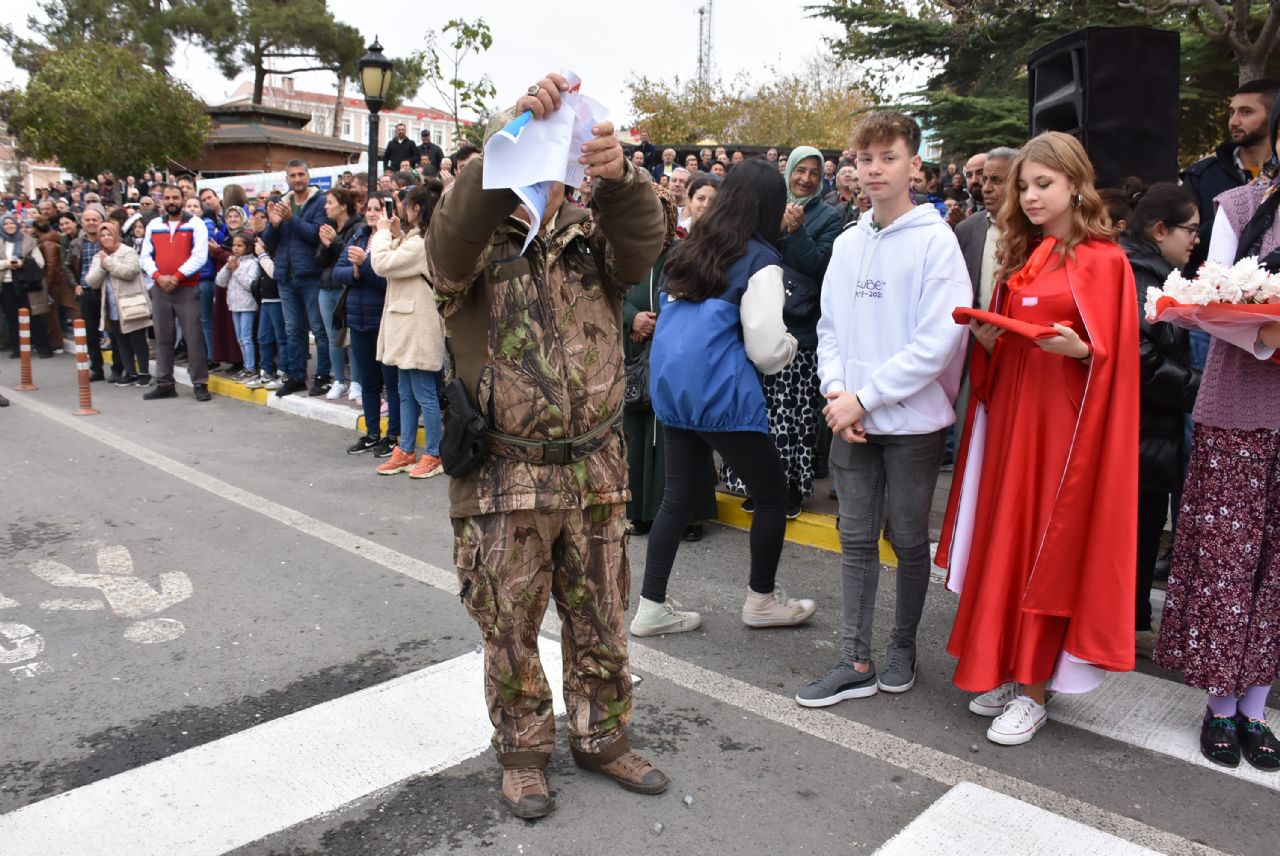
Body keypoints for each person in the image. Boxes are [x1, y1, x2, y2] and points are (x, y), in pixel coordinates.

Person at [427, 71, 669, 819]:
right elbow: (453, 231)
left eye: (558, 159)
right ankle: (525, 754)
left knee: (601, 616)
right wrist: (508, 135)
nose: (549, 175)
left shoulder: (591, 244)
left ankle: (603, 739)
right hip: (505, 474)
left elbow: (645, 241)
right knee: (510, 625)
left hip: (595, 468)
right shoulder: (473, 245)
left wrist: (622, 175)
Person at [936, 132, 1138, 746]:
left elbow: (1120, 361)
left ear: (1077, 185)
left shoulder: (1105, 261)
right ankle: (1012, 670)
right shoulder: (1030, 256)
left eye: (1042, 184)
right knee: (1008, 543)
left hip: (1064, 435)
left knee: (1042, 551)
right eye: (1024, 185)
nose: (1028, 196)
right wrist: (991, 341)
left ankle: (1033, 690)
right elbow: (1007, 346)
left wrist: (1084, 351)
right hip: (1013, 427)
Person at [795, 112, 970, 709]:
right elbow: (831, 328)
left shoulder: (935, 240)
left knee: (908, 540)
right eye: (864, 159)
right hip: (852, 420)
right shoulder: (846, 242)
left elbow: (938, 340)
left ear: (913, 165)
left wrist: (866, 398)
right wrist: (841, 396)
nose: (873, 169)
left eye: (887, 157)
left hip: (913, 424)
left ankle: (901, 646)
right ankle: (855, 658)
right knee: (856, 540)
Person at [636, 158, 815, 636]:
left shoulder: (691, 247)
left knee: (676, 497)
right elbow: (765, 348)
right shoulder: (761, 260)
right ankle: (761, 599)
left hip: (674, 391)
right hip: (721, 395)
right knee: (773, 494)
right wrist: (792, 346)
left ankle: (650, 606)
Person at [1154, 98, 1280, 771]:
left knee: (1277, 571)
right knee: (1229, 566)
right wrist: (1266, 335)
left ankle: (1258, 706)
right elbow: (1209, 305)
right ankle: (1221, 707)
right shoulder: (1235, 207)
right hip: (1239, 408)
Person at [723, 146, 842, 518]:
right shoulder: (768, 209)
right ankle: (757, 484)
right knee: (762, 415)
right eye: (799, 170)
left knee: (794, 416)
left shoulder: (829, 216)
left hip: (800, 335)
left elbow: (822, 269)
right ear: (787, 172)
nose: (805, 178)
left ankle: (790, 488)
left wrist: (797, 232)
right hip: (761, 327)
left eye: (813, 172)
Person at [1119, 184, 1202, 659]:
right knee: (1137, 525)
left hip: (1149, 429)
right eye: (1189, 229)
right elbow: (1140, 357)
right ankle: (1124, 624)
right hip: (1141, 427)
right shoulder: (1140, 278)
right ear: (1159, 230)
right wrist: (1198, 386)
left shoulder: (1155, 273)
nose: (1195, 240)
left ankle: (1132, 620)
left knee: (1144, 524)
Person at [622, 188, 717, 545]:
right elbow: (605, 295)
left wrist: (666, 322)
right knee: (638, 431)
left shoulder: (687, 252)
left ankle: (690, 514)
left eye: (657, 214)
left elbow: (704, 300)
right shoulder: (624, 253)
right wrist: (632, 318)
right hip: (636, 354)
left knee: (680, 435)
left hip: (678, 356)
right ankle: (641, 511)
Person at [372, 182, 447, 479]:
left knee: (424, 392)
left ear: (417, 209)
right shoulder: (415, 239)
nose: (401, 207)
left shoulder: (421, 243)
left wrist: (380, 232)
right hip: (406, 325)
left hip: (417, 327)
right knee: (404, 392)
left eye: (406, 203)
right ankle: (405, 450)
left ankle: (433, 452)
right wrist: (395, 235)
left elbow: (380, 263)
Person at [1183, 79, 1280, 276]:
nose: (1234, 121)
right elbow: (1181, 239)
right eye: (1231, 112)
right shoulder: (1202, 175)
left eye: (1246, 112)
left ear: (1272, 117)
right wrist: (1235, 212)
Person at [333, 195, 400, 457]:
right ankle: (373, 433)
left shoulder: (395, 238)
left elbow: (390, 280)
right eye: (369, 209)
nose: (372, 213)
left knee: (391, 383)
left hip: (384, 320)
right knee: (368, 382)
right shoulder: (358, 236)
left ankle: (393, 436)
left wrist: (365, 266)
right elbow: (336, 271)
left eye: (378, 209)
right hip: (358, 320)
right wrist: (354, 272)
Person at [263, 160, 330, 397]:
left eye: (301, 174)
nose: (298, 179)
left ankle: (324, 376)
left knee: (319, 329)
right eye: (293, 175)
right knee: (293, 330)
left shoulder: (320, 202)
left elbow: (317, 235)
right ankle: (296, 377)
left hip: (310, 274)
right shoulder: (281, 202)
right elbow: (269, 241)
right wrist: (272, 225)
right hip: (286, 276)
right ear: (287, 178)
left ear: (308, 175)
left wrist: (291, 219)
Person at [139, 183, 211, 401]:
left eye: (175, 197)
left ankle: (199, 383)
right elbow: (145, 256)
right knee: (163, 337)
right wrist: (158, 277)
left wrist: (177, 276)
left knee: (193, 338)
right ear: (162, 201)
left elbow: (199, 256)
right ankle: (165, 383)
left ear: (183, 198)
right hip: (160, 289)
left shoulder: (196, 224)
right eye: (167, 198)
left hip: (187, 288)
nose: (171, 201)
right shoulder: (153, 225)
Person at [85, 221, 152, 386]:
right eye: (103, 235)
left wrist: (108, 262)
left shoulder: (127, 251)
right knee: (121, 341)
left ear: (116, 235)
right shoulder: (99, 256)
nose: (106, 238)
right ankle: (130, 372)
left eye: (109, 234)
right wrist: (102, 265)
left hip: (132, 303)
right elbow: (91, 281)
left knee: (138, 340)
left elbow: (130, 271)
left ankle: (144, 373)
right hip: (111, 305)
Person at [315, 188, 363, 400]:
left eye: (330, 202)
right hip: (327, 287)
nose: (326, 206)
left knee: (351, 338)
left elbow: (351, 256)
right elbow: (319, 260)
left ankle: (356, 382)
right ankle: (339, 381)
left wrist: (334, 242)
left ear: (343, 205)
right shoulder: (330, 227)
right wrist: (325, 247)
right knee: (333, 337)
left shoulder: (358, 227)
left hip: (347, 288)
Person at [0, 212, 50, 358]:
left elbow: (40, 262)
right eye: (5, 224)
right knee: (12, 317)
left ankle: (43, 348)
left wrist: (23, 263)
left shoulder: (28, 241)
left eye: (11, 223)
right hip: (7, 284)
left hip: (26, 283)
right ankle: (18, 349)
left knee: (33, 316)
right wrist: (6, 264)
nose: (9, 226)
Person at [215, 230, 261, 383]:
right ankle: (246, 366)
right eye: (234, 245)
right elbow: (220, 282)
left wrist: (236, 270)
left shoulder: (252, 263)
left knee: (247, 338)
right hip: (234, 305)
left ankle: (251, 368)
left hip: (247, 305)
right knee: (240, 338)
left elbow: (250, 284)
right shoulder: (233, 261)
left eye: (239, 246)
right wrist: (228, 268)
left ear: (248, 247)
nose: (235, 248)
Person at [249, 237, 285, 390]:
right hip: (265, 300)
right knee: (263, 338)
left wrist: (262, 254)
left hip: (278, 300)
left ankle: (283, 372)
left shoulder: (278, 249)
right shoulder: (263, 248)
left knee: (281, 338)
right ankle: (266, 371)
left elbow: (275, 273)